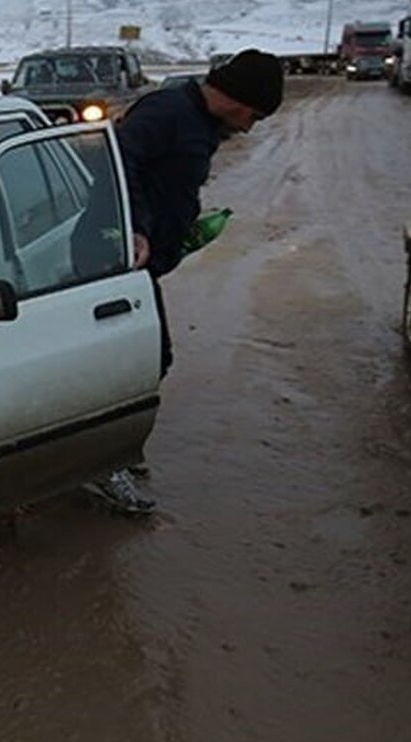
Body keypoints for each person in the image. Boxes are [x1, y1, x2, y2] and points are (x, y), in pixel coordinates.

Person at [90, 48, 285, 515]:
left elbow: (168, 180)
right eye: (253, 116)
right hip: (114, 257)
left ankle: (111, 449)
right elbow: (116, 162)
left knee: (143, 359)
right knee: (136, 361)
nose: (248, 127)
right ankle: (99, 461)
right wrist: (135, 226)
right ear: (237, 99)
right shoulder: (167, 111)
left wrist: (183, 226)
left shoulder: (198, 124)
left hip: (143, 260)